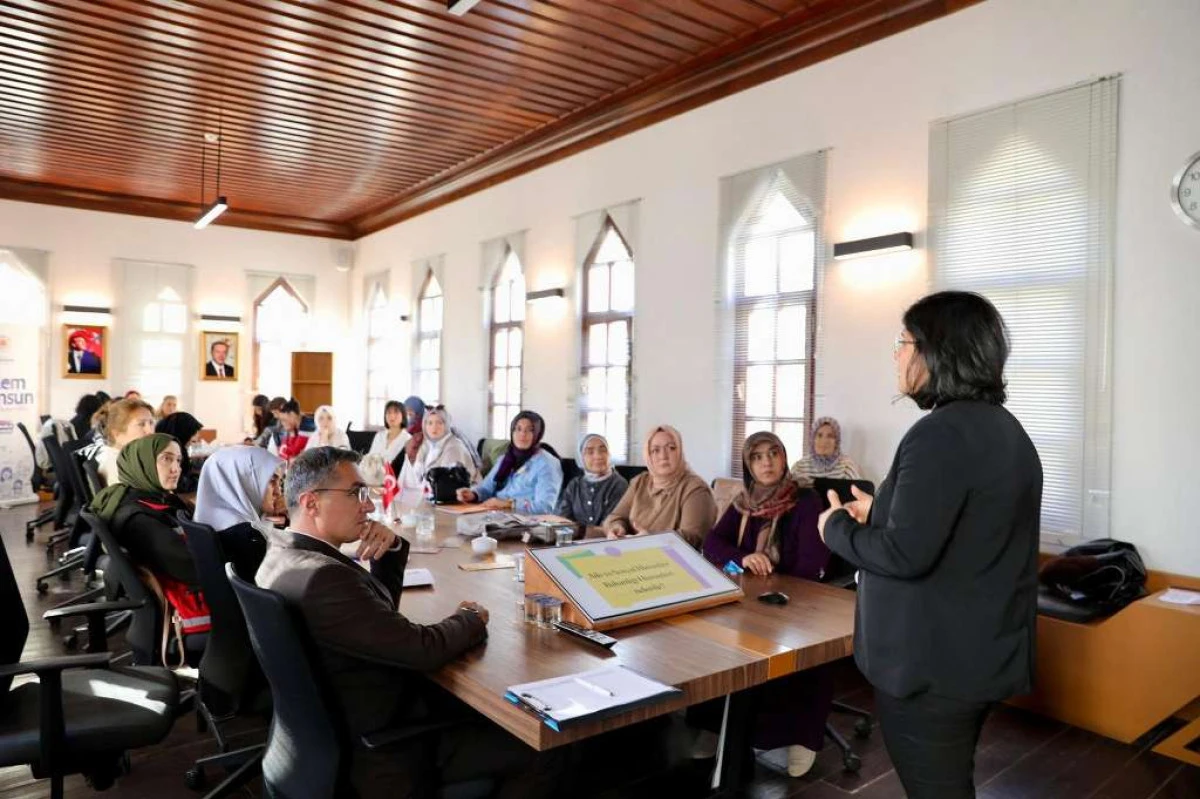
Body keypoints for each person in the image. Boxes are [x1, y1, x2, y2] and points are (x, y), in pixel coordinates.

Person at [818, 291, 1042, 799]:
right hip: (978, 656)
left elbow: (905, 554)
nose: (896, 356)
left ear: (935, 351)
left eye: (902, 343)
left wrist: (835, 527)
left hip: (933, 669)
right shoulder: (1006, 431)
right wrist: (879, 511)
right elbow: (967, 528)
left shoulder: (937, 435)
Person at [256, 447, 559, 798]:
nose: (369, 506)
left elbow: (377, 622)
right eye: (356, 493)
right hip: (386, 751)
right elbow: (423, 649)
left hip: (337, 727)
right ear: (311, 503)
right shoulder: (323, 579)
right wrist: (471, 618)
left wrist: (390, 552)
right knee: (546, 750)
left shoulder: (280, 554)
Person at [697, 431, 833, 775]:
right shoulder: (745, 502)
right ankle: (718, 727)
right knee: (710, 637)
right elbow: (713, 542)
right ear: (748, 466)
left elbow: (811, 564)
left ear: (784, 458)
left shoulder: (806, 501)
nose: (767, 462)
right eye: (757, 457)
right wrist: (743, 557)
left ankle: (802, 737)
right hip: (751, 596)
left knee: (798, 653)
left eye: (773, 453)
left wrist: (772, 582)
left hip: (797, 600)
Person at [90, 433, 196, 587]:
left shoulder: (132, 497)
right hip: (190, 592)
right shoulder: (139, 519)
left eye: (178, 460)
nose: (176, 469)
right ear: (142, 462)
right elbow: (193, 568)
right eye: (166, 459)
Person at [602, 425, 716, 548]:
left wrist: (652, 539)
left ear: (680, 452)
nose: (663, 456)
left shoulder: (696, 489)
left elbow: (693, 537)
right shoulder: (640, 482)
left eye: (671, 448)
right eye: (655, 450)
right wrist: (617, 527)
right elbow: (615, 517)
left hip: (673, 558)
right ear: (648, 455)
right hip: (633, 552)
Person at [193, 446, 285, 580]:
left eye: (279, 481)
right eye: (271, 481)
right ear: (244, 482)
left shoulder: (205, 519)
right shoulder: (248, 537)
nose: (278, 492)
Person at [456, 411, 562, 514]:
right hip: (495, 515)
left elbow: (544, 507)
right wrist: (473, 494)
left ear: (538, 434)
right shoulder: (506, 459)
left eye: (529, 430)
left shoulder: (547, 464)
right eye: (518, 429)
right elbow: (486, 488)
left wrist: (508, 504)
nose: (522, 434)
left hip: (525, 521)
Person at [555, 433, 628, 529]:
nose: (598, 456)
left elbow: (611, 524)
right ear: (581, 458)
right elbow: (563, 519)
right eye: (590, 452)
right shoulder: (574, 485)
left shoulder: (619, 484)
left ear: (609, 454)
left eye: (603, 450)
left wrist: (579, 531)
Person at [402, 405, 481, 492]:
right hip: (434, 492)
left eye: (439, 423)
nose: (434, 427)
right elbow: (415, 475)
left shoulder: (454, 447)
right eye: (430, 423)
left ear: (446, 425)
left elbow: (446, 482)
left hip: (462, 494)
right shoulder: (427, 445)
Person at [85, 398, 157, 486]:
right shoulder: (119, 467)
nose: (150, 431)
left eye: (151, 423)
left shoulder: (126, 459)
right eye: (141, 424)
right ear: (116, 433)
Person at [789, 417, 863, 483]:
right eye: (819, 435)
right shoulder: (799, 467)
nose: (824, 441)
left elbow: (859, 492)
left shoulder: (847, 467)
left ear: (836, 442)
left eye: (830, 436)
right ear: (813, 439)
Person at [156, 412, 205, 493]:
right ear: (184, 432)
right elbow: (183, 485)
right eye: (194, 433)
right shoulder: (171, 451)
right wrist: (202, 479)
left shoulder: (175, 446)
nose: (197, 437)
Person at [367, 400, 410, 469]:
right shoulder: (379, 436)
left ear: (403, 416)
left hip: (394, 474)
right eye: (389, 412)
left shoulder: (408, 439)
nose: (392, 416)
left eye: (396, 412)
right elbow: (369, 458)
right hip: (373, 473)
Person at [270, 398, 315, 462]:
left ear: (292, 414)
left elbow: (293, 451)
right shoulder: (297, 427)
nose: (282, 423)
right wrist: (292, 433)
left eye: (284, 420)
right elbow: (283, 453)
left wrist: (291, 434)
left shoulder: (307, 425)